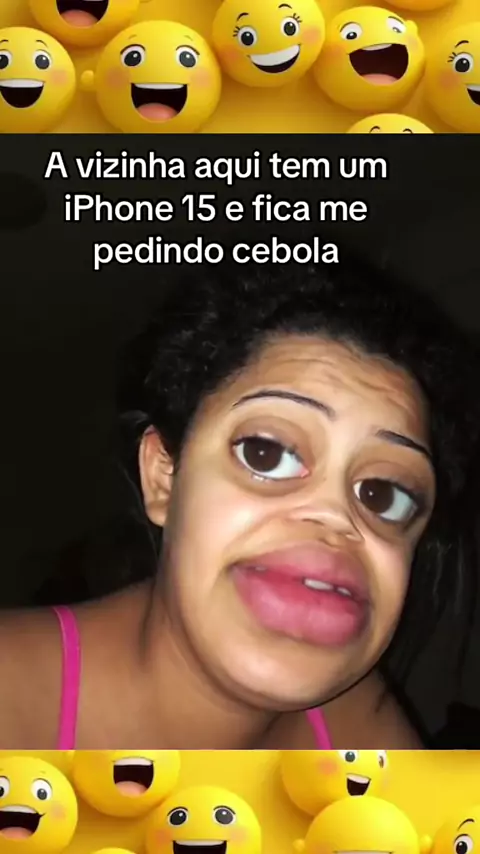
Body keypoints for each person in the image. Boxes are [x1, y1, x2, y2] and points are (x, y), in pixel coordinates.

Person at [0, 259, 478, 750]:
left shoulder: (359, 718)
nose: (335, 516)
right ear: (163, 478)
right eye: (265, 453)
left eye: (384, 493)